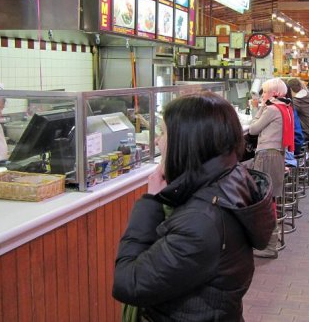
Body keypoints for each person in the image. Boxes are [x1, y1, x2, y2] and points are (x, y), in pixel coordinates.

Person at [113, 92, 275, 321]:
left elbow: (129, 283)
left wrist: (150, 203)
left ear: (187, 141)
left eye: (163, 132)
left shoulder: (201, 221)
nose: (158, 140)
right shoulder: (233, 177)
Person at [248, 78, 294, 258]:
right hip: (277, 155)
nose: (262, 95)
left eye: (265, 92)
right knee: (271, 199)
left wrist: (260, 107)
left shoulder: (272, 109)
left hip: (267, 155)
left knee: (265, 200)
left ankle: (269, 246)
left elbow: (253, 129)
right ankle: (269, 242)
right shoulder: (285, 107)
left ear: (274, 93)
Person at [287, 78, 309, 142]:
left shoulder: (298, 100)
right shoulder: (306, 95)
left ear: (290, 89)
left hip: (306, 132)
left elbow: (287, 113)